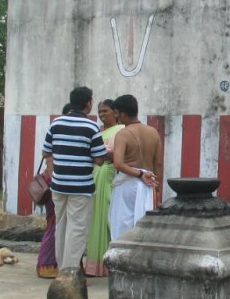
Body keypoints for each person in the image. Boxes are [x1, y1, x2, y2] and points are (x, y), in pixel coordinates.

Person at [42, 87, 105, 271]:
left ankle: (62, 267)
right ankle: (69, 272)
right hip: (81, 186)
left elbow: (46, 151)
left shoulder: (56, 123)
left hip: (59, 184)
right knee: (77, 228)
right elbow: (99, 159)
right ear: (88, 103)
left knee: (61, 226)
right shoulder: (91, 126)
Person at [108, 94, 161, 241]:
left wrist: (138, 174)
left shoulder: (123, 134)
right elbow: (158, 164)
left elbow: (118, 163)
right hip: (148, 186)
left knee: (122, 229)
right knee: (144, 230)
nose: (117, 119)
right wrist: (157, 188)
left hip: (128, 185)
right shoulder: (153, 132)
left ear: (123, 115)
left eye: (117, 115)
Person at [84, 99, 124, 277]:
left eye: (105, 111)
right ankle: (94, 264)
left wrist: (99, 153)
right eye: (99, 111)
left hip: (108, 174)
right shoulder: (98, 130)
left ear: (115, 112)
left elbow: (119, 155)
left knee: (106, 217)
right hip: (95, 174)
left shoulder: (121, 131)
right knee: (94, 219)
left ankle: (108, 262)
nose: (101, 115)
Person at [36, 102, 73, 279]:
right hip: (55, 185)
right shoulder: (59, 132)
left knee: (56, 225)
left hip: (56, 184)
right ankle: (47, 265)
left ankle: (49, 264)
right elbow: (49, 161)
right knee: (56, 225)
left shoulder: (57, 133)